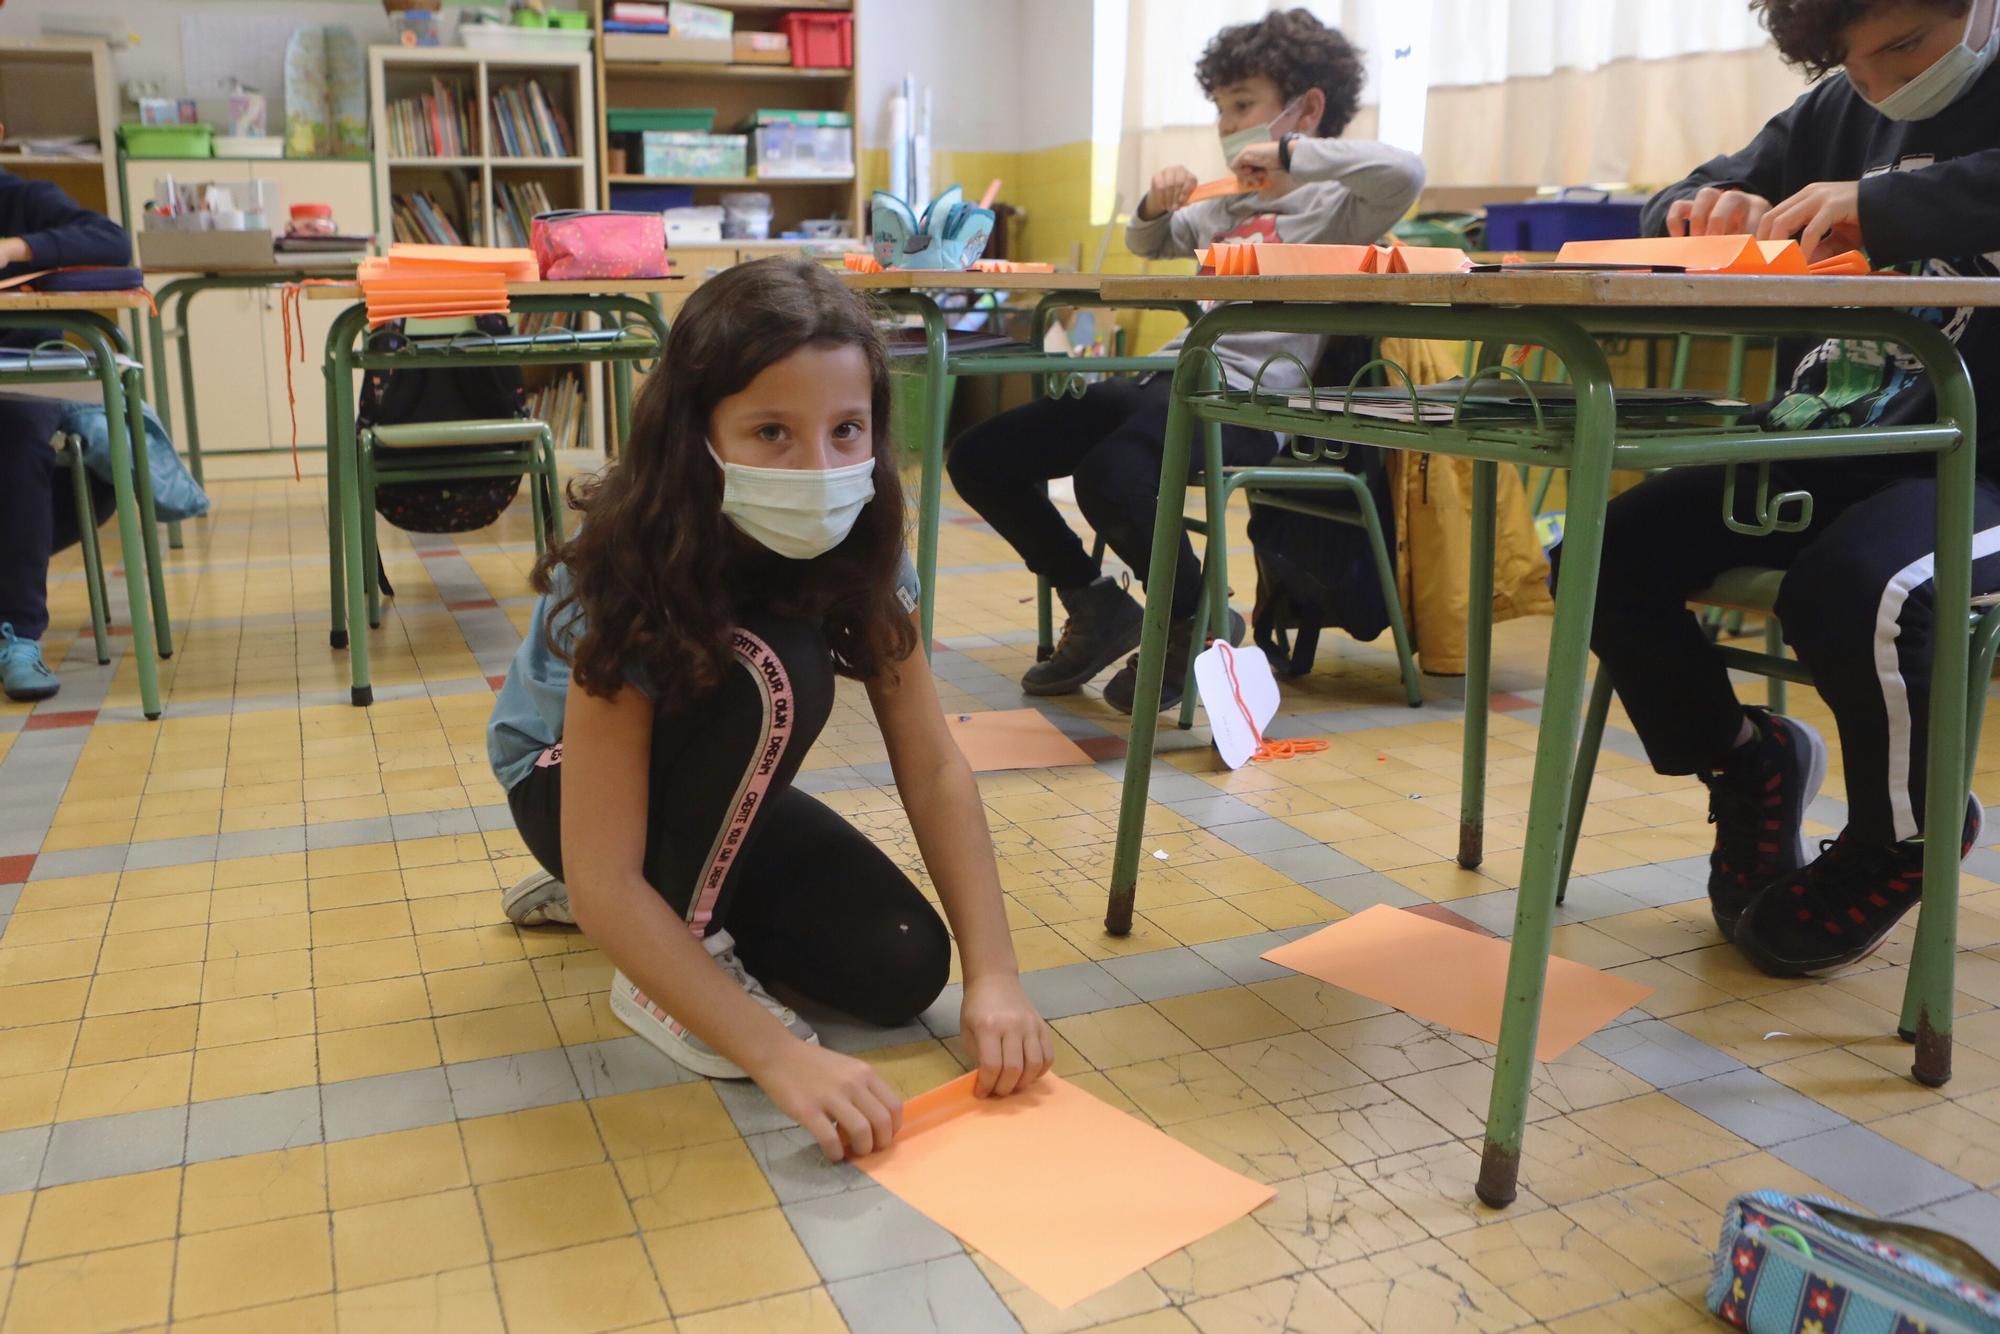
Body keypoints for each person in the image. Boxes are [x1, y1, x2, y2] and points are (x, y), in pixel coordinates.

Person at [487, 258, 1054, 1161]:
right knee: (776, 667)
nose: (820, 465)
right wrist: (781, 1056)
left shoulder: (864, 535)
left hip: (709, 782)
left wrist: (997, 978)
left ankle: (659, 907)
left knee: (903, 962)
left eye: (846, 431)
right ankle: (657, 965)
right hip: (565, 785)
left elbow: (933, 761)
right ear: (696, 433)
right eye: (770, 433)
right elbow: (608, 878)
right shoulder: (626, 564)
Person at [1586, 0, 2000, 977]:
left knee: (1862, 590)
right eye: (1852, 66)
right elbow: (1674, 200)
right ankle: (1744, 756)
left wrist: (1883, 206)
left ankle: (1902, 832)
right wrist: (1701, 209)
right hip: (1833, 444)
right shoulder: (1833, 110)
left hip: (1980, 462)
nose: (1881, 85)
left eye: (1901, 46)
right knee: (1602, 553)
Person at [946, 9, 1424, 713]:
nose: (1228, 125)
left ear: (1307, 110)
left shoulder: (1337, 207)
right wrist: (1154, 197)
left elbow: (1404, 172)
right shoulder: (1222, 207)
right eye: (1220, 109)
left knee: (1109, 475)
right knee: (981, 456)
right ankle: (1097, 602)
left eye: (1243, 106)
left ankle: (1192, 619)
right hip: (1168, 380)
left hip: (1249, 401)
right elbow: (1149, 241)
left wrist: (1294, 158)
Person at [0, 138, 132, 702]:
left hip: (19, 372)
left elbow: (113, 242)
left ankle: (19, 635)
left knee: (20, 434)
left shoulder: (25, 197)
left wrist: (18, 246)